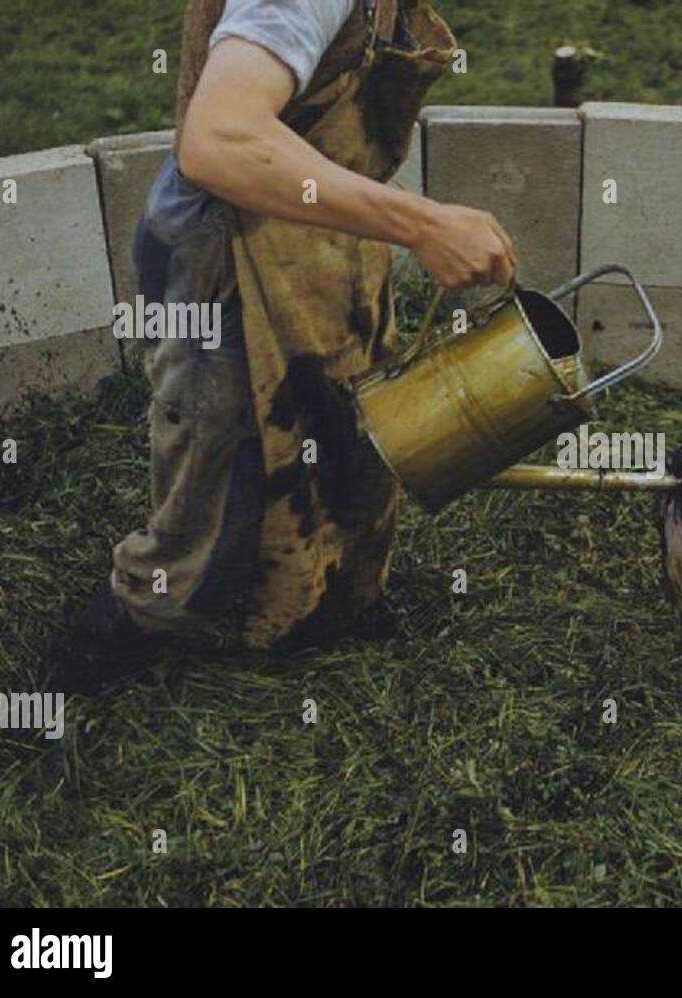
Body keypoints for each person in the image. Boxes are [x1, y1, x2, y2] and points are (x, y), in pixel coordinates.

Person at [51, 0, 516, 693]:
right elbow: (219, 139)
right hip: (227, 255)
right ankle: (115, 641)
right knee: (219, 488)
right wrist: (423, 225)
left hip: (313, 236)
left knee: (341, 434)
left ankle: (324, 607)